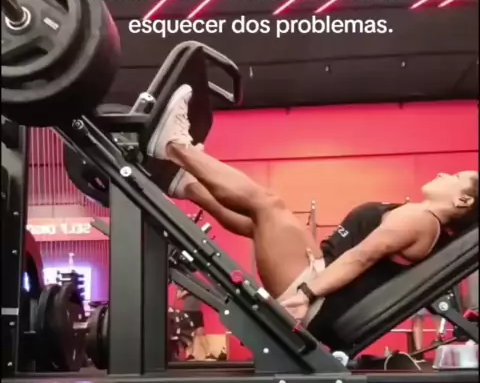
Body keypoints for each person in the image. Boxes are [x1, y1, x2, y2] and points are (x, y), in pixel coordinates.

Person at [146, 84, 478, 350]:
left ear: (463, 200)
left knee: (267, 205)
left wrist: (305, 294)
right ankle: (185, 183)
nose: (444, 174)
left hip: (317, 298)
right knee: (257, 221)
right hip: (319, 275)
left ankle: (174, 146)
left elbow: (361, 257)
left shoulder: (421, 220)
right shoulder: (424, 221)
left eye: (455, 177)